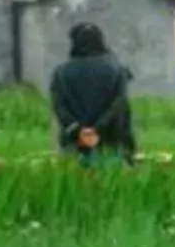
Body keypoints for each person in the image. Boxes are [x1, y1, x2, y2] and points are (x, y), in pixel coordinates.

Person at [50, 23, 135, 166]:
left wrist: (79, 130)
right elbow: (119, 104)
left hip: (74, 145)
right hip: (111, 143)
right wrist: (96, 129)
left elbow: (59, 107)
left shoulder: (60, 73)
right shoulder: (117, 70)